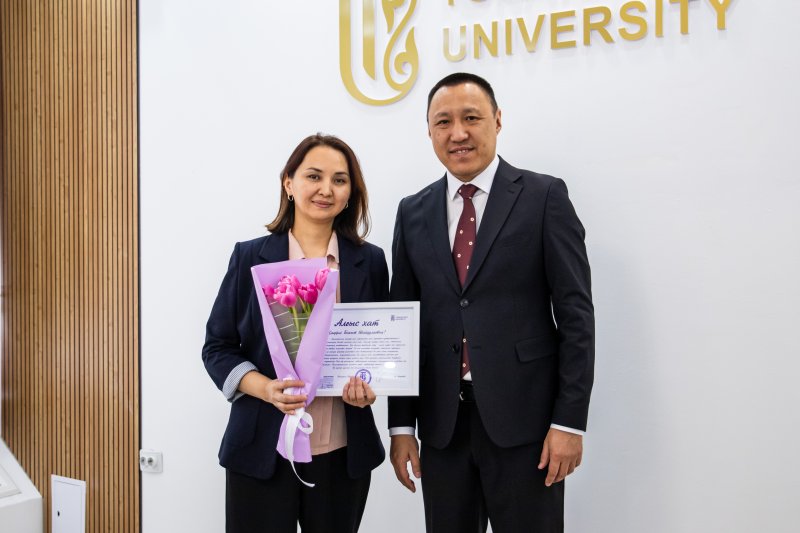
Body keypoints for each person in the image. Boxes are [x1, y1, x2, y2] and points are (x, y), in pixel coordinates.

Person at [388, 72, 595, 532]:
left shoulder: (544, 197)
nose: (457, 133)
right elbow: (403, 324)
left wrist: (569, 423)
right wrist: (401, 428)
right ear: (429, 131)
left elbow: (576, 316)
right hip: (442, 428)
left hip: (527, 427)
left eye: (471, 118)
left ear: (498, 120)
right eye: (443, 122)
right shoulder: (412, 211)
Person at [203, 134, 387, 533]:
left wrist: (372, 383)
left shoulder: (370, 261)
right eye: (314, 176)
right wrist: (265, 389)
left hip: (341, 452)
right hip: (261, 450)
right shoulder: (250, 256)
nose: (326, 189)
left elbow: (380, 346)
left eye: (339, 180)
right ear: (289, 183)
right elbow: (217, 347)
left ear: (351, 193)